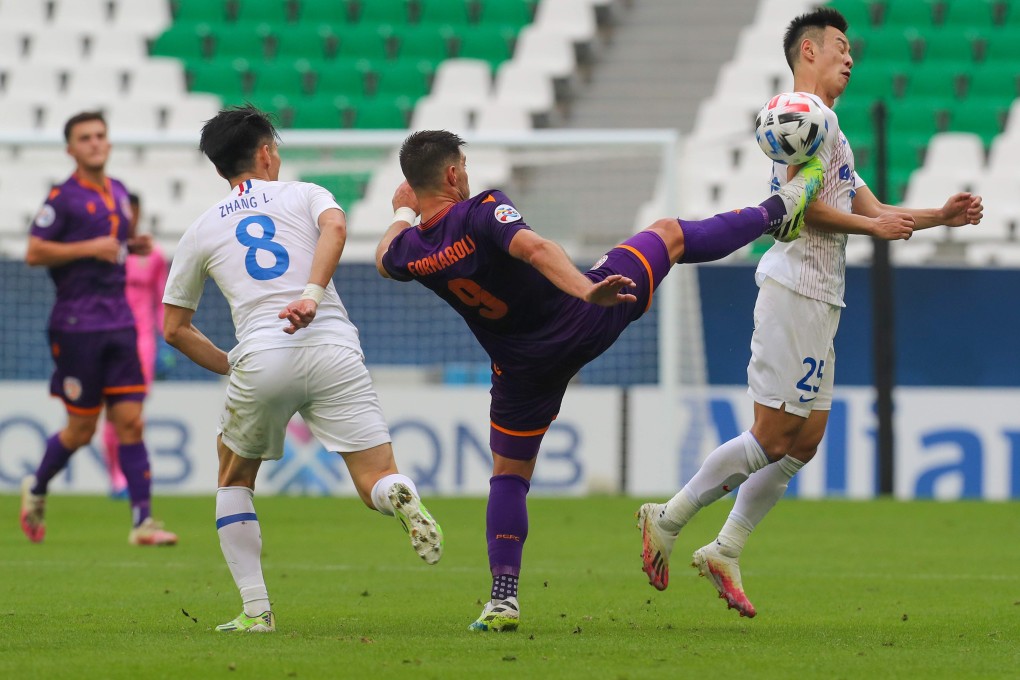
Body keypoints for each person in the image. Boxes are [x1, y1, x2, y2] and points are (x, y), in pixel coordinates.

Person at [376, 129, 825, 632]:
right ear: (454, 174)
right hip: (581, 318)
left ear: (414, 188)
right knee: (670, 233)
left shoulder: (410, 251)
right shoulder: (482, 210)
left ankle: (503, 599)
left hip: (521, 369)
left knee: (508, 478)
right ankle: (777, 210)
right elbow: (537, 249)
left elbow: (383, 258)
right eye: (464, 162)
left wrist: (401, 212)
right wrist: (586, 293)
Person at [637, 7, 984, 619]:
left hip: (822, 294)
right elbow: (794, 206)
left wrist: (938, 217)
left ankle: (726, 548)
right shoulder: (800, 116)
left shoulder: (831, 127)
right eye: (840, 47)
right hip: (793, 286)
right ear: (808, 53)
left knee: (806, 441)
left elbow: (873, 207)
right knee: (772, 434)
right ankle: (667, 518)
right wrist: (870, 225)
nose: (850, 57)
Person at [161, 105, 444, 634]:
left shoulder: (200, 230)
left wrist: (235, 365)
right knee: (375, 477)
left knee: (234, 477)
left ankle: (255, 611)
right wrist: (311, 295)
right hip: (334, 345)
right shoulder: (305, 193)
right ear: (266, 153)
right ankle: (398, 495)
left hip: (262, 355)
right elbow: (336, 226)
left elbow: (173, 327)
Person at [20, 111, 178, 547]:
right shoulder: (63, 198)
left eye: (100, 136)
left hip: (120, 322)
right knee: (82, 430)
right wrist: (89, 247)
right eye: (85, 138)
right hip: (76, 327)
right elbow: (34, 252)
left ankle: (143, 522)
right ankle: (36, 488)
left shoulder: (120, 192)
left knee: (131, 421)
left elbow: (115, 246)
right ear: (70, 148)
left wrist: (133, 245)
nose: (95, 143)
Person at [101, 193, 169, 499]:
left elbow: (161, 302)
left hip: (142, 343)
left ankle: (125, 475)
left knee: (132, 413)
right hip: (107, 337)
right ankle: (116, 476)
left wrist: (167, 338)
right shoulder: (105, 251)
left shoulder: (152, 255)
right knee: (111, 412)